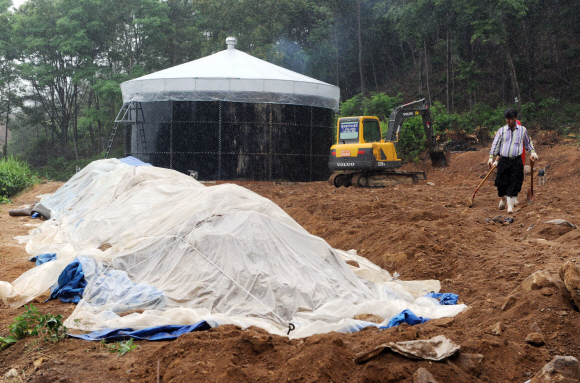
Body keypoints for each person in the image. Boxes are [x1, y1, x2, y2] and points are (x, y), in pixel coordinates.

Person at [488, 108, 538, 214]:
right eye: (507, 120)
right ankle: (503, 199)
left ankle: (510, 207)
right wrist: (491, 157)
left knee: (515, 183)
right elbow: (495, 144)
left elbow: (528, 143)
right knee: (500, 183)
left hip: (516, 161)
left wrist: (532, 152)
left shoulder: (522, 130)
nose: (509, 122)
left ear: (515, 118)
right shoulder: (501, 131)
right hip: (504, 161)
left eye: (511, 119)